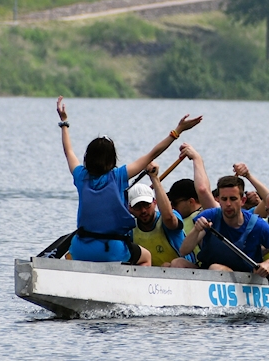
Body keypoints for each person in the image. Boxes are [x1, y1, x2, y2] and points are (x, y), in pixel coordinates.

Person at [56, 96, 201, 265]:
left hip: (81, 248)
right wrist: (177, 131)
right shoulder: (118, 176)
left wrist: (64, 123)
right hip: (112, 249)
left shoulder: (80, 175)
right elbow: (152, 154)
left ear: (88, 157)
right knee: (145, 257)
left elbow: (69, 152)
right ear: (112, 159)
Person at [173, 176, 269, 274]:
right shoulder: (210, 216)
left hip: (242, 278)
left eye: (233, 199)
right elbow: (184, 251)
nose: (228, 204)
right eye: (224, 199)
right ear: (218, 200)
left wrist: (268, 264)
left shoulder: (257, 224)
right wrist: (196, 230)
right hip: (207, 273)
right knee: (177, 263)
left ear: (242, 200)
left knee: (215, 268)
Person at [128, 164, 192, 267]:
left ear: (154, 202)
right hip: (152, 278)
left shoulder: (168, 218)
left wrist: (154, 178)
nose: (143, 210)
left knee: (168, 265)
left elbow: (168, 217)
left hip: (183, 273)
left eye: (146, 205)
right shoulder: (130, 229)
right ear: (130, 209)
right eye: (137, 207)